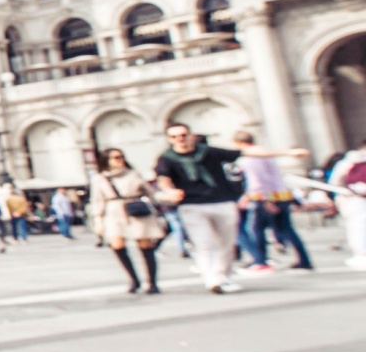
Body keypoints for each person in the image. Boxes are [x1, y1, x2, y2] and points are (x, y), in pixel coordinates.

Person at [153, 123, 306, 294]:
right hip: (191, 205)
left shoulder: (208, 151)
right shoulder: (167, 158)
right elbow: (163, 179)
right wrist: (169, 191)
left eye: (183, 135)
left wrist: (287, 153)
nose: (180, 139)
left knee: (226, 243)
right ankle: (212, 279)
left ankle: (222, 276)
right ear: (169, 139)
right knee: (204, 243)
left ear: (190, 135)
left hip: (222, 201)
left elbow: (247, 152)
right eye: (174, 136)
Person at [232, 130, 312, 271]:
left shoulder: (248, 158)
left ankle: (260, 260)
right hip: (281, 194)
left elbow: (258, 180)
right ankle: (304, 259)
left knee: (255, 229)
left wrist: (263, 198)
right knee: (286, 229)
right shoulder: (266, 154)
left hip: (263, 196)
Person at [91, 148, 165, 293]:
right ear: (107, 160)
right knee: (117, 245)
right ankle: (134, 280)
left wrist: (166, 198)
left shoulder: (133, 174)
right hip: (113, 211)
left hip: (135, 209)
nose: (120, 160)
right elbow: (97, 200)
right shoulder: (100, 178)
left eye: (121, 156)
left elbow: (151, 193)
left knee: (145, 245)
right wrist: (98, 220)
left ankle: (152, 282)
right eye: (116, 157)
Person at [330, 140, 366, 269]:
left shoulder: (347, 162)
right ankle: (361, 254)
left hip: (353, 198)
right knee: (358, 227)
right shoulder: (350, 163)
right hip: (355, 199)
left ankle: (361, 254)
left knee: (357, 227)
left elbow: (335, 181)